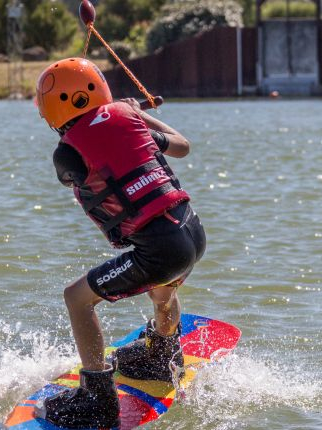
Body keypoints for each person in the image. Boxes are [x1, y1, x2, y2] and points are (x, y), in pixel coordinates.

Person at [32, 58, 206, 429]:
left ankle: (96, 397)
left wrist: (114, 117)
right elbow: (182, 146)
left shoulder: (67, 153)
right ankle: (160, 355)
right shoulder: (130, 120)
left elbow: (73, 175)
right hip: (192, 232)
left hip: (161, 249)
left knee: (77, 298)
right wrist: (135, 114)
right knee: (162, 288)